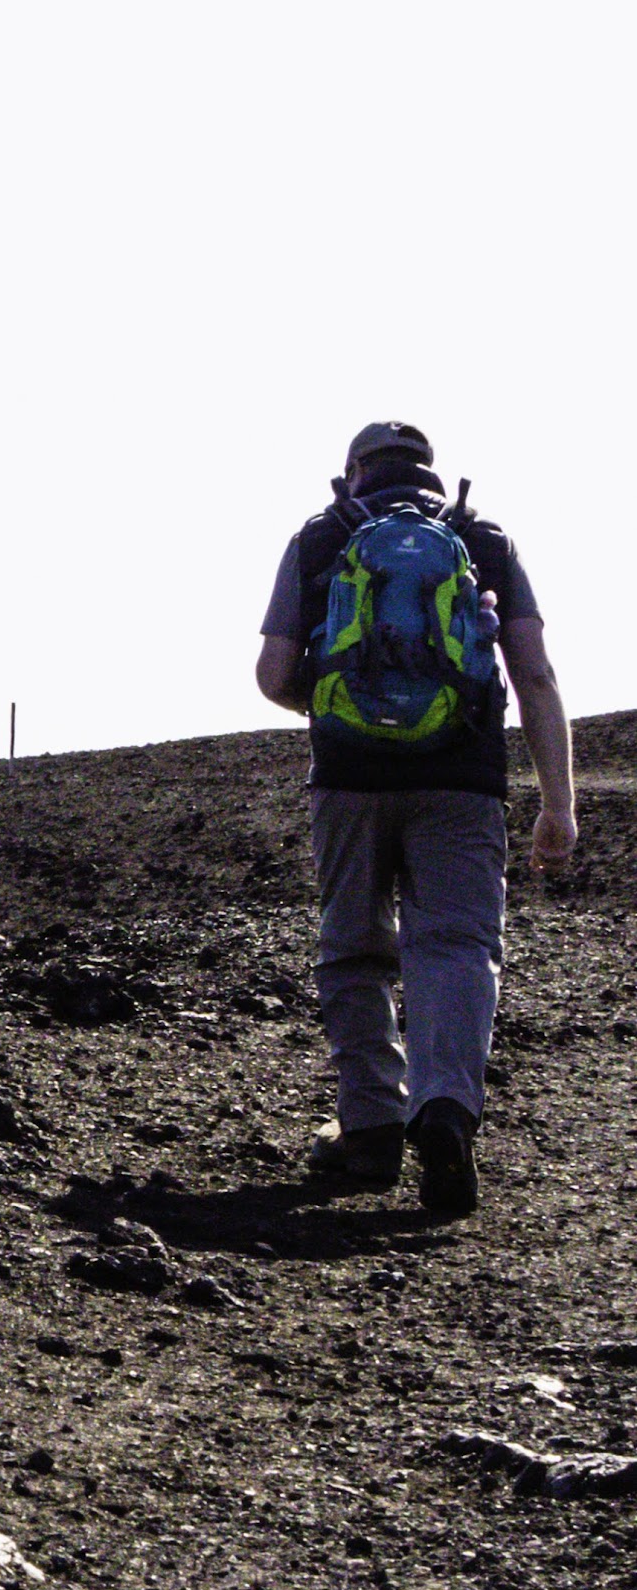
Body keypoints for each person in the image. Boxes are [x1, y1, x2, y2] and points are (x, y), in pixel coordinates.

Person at [255, 420, 575, 1219]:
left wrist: (339, 710)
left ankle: (368, 1129)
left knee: (355, 949)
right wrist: (558, 803)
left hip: (349, 780)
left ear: (355, 471)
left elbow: (271, 673)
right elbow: (533, 674)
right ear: (430, 474)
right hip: (463, 781)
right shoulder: (481, 539)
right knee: (457, 946)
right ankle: (445, 1113)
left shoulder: (324, 537)